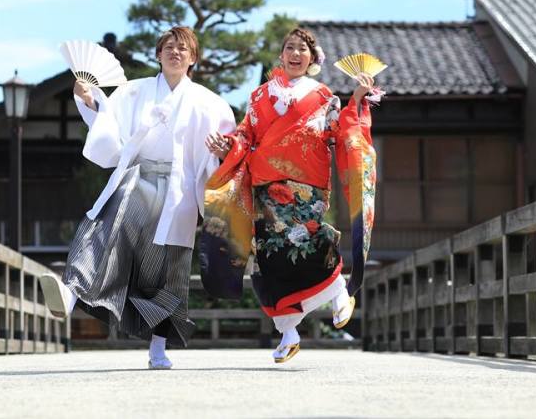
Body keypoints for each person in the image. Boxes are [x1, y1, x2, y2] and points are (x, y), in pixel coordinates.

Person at [40, 26, 235, 369]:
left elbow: (224, 151)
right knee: (105, 231)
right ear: (158, 54)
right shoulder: (133, 92)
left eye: (183, 48)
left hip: (179, 189)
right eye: (169, 47)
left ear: (193, 58)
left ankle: (158, 349)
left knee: (167, 268)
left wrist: (222, 153)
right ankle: (71, 293)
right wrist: (89, 101)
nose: (175, 52)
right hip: (139, 176)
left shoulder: (210, 103)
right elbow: (108, 126)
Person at [203, 27, 378, 363]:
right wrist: (229, 145)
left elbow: (340, 131)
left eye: (302, 49)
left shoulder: (324, 96)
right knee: (267, 259)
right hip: (265, 186)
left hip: (305, 186)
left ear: (313, 58)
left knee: (308, 239)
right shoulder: (259, 97)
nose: (295, 54)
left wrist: (356, 99)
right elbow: (245, 133)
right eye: (289, 48)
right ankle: (288, 332)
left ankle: (340, 292)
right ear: (281, 55)